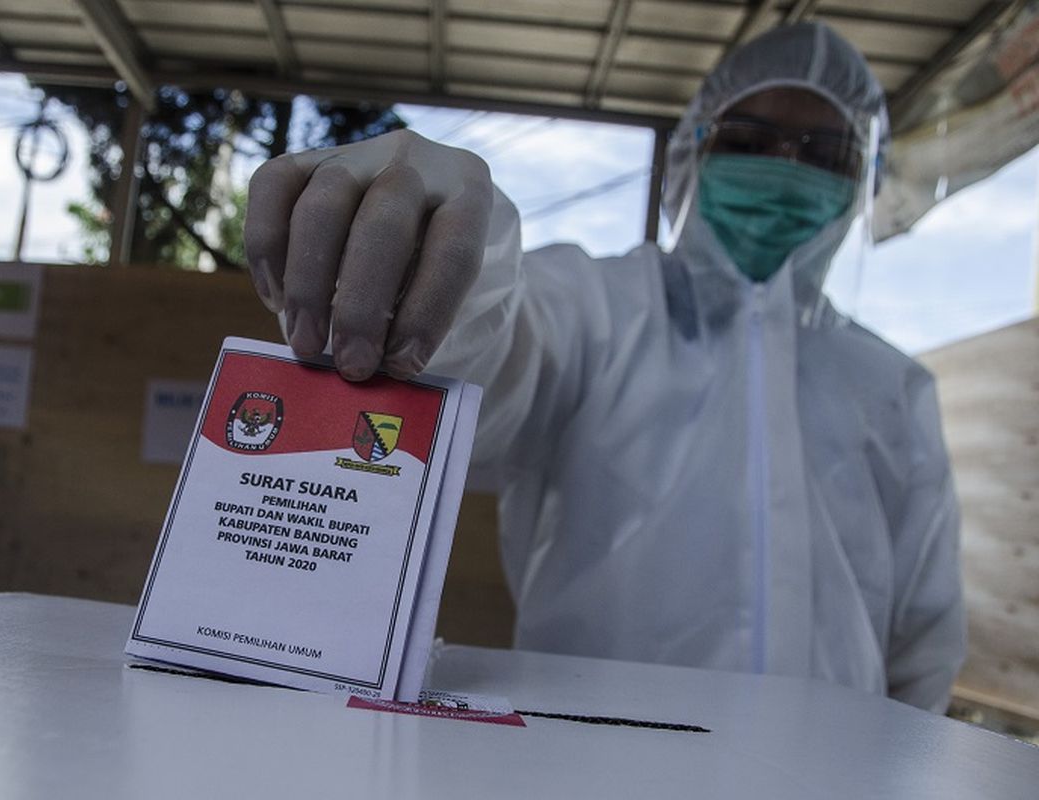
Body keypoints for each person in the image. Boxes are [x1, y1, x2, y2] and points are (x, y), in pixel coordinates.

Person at [243, 22, 966, 713]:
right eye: (752, 140)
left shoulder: (894, 389)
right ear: (694, 151)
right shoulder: (597, 307)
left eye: (824, 152)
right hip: (601, 763)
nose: (786, 167)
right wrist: (447, 267)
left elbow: (924, 641)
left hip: (830, 776)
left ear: (861, 179)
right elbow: (494, 366)